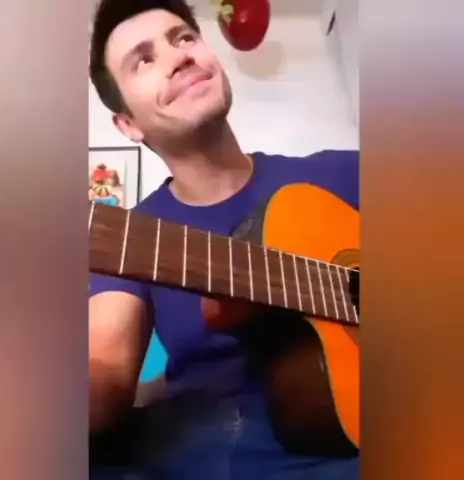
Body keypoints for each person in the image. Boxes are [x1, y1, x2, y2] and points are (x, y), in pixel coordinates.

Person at [88, 0, 360, 478]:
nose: (179, 57)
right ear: (128, 123)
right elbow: (104, 367)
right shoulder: (131, 236)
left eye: (184, 38)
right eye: (144, 60)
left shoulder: (346, 171)